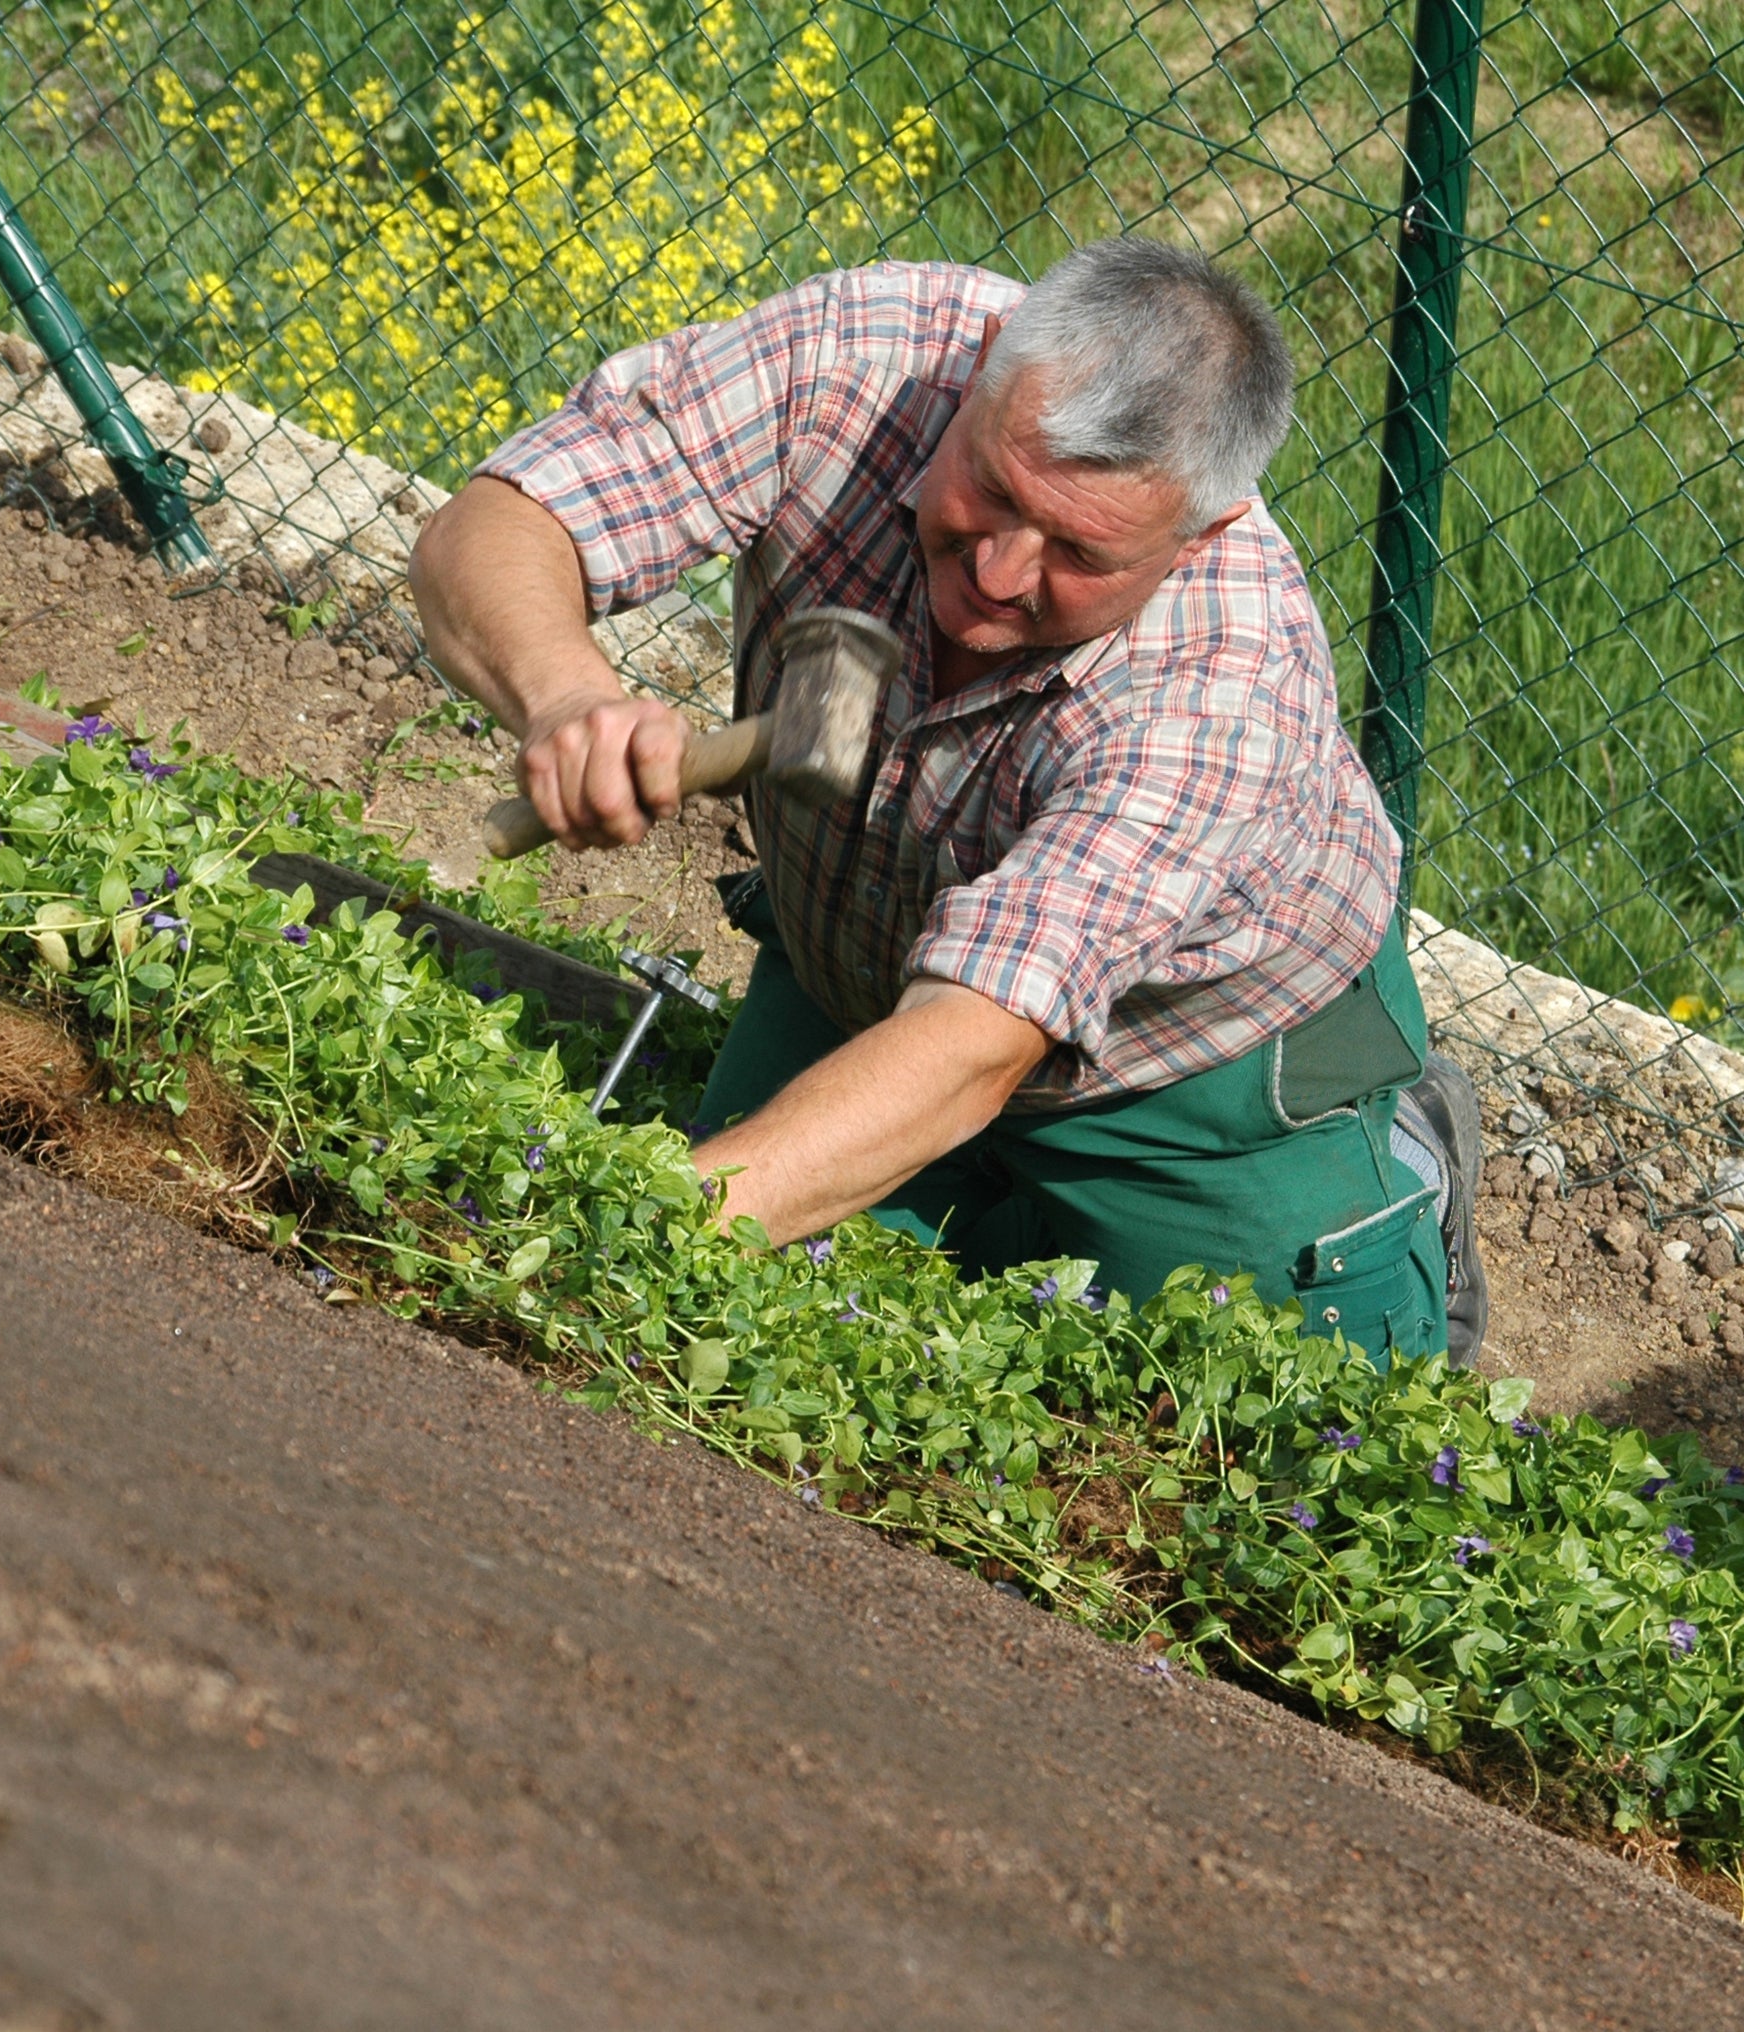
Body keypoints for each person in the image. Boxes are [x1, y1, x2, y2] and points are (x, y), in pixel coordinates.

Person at [409, 238, 1486, 1364]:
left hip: (1187, 1070)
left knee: (1276, 1438)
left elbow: (972, 1040)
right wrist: (564, 696)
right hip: (868, 968)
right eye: (995, 489)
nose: (1000, 573)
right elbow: (495, 525)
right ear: (979, 371)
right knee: (754, 1343)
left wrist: (625, 1238)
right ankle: (980, 1205)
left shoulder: (1222, 679)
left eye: (1077, 549)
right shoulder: (863, 357)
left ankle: (1412, 1156)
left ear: (1195, 537)